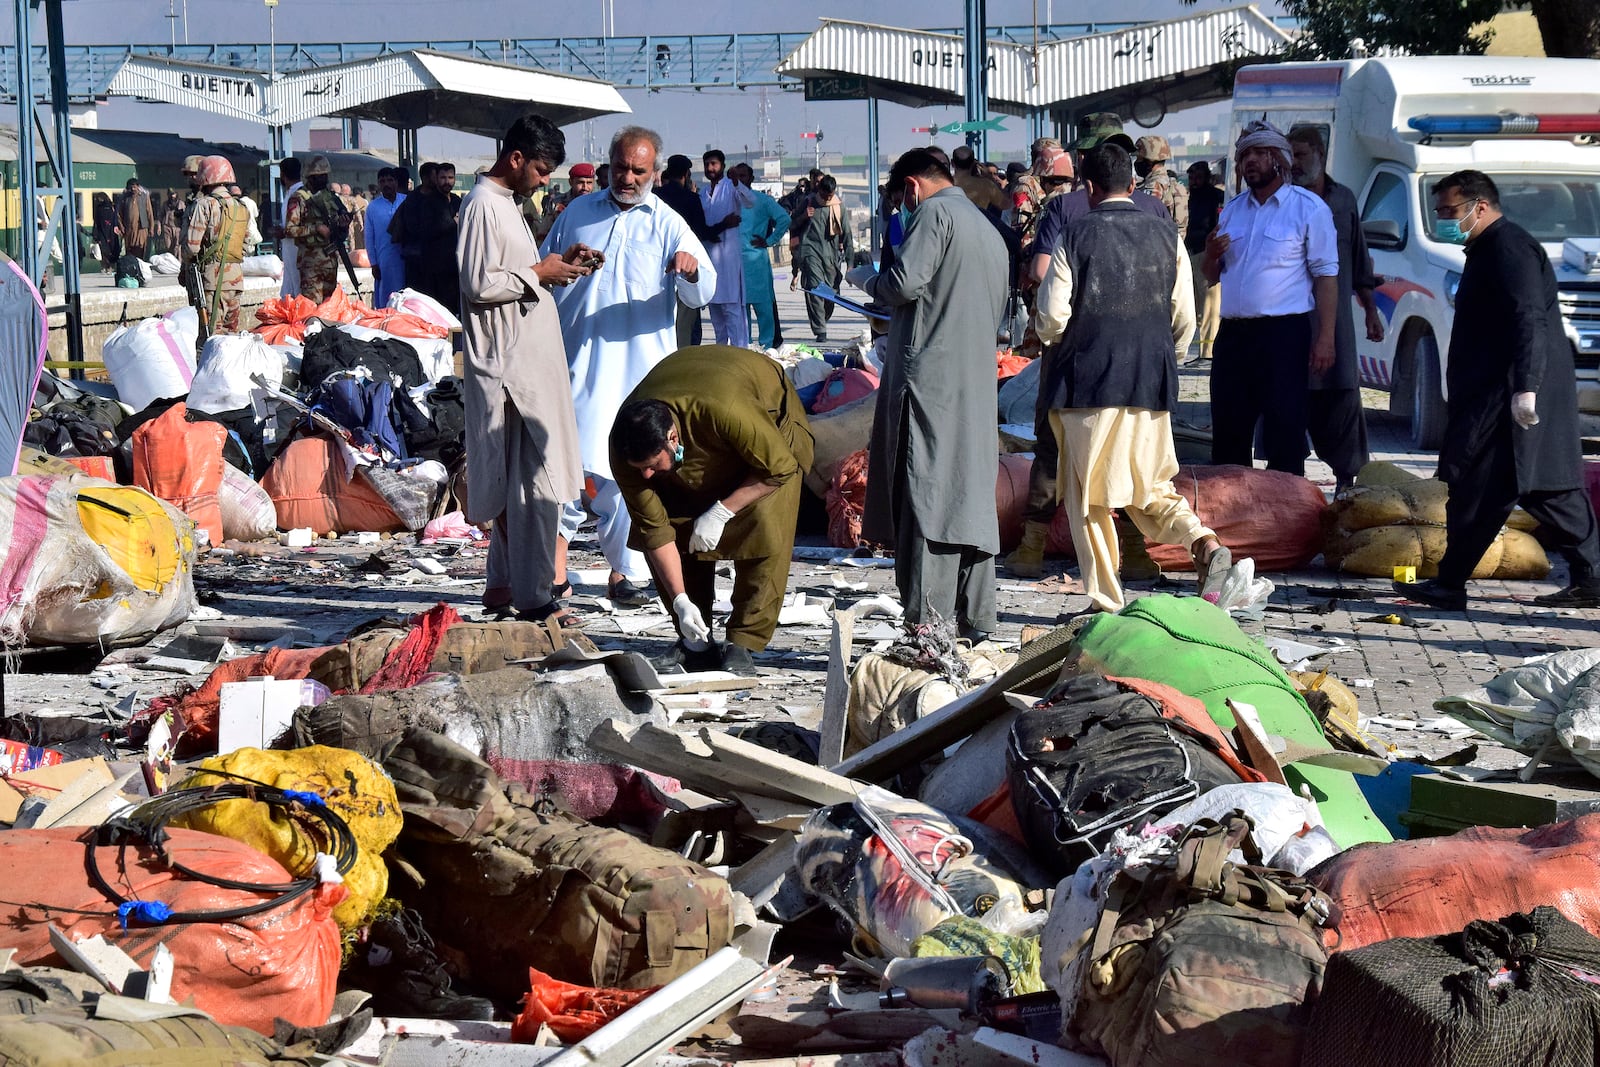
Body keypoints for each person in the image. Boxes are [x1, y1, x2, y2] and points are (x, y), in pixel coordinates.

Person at [1034, 143, 1231, 613]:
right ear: (1133, 183)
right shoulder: (1167, 235)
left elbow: (1051, 315)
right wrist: (1165, 356)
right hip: (1152, 380)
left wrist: (1055, 339)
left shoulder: (1076, 234)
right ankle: (1202, 542)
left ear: (1089, 187)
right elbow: (1184, 315)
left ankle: (1105, 601)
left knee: (1088, 498)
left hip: (1088, 385)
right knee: (1151, 486)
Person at [1395, 171, 1600, 611]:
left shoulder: (1509, 248)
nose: (1444, 219)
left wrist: (1526, 388)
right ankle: (1450, 584)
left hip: (1513, 395)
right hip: (1493, 392)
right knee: (1480, 490)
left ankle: (1591, 577)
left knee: (1544, 488)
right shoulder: (1485, 249)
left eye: (1450, 211)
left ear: (1480, 206)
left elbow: (1530, 319)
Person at [541, 126, 716, 606]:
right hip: (576, 361)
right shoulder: (577, 212)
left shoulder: (668, 223)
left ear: (655, 173)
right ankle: (555, 573)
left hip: (638, 373)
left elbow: (704, 291)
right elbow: (542, 272)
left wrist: (691, 268)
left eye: (639, 170)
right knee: (567, 470)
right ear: (608, 165)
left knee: (627, 470)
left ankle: (625, 571)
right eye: (621, 168)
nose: (628, 177)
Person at [846, 149, 1008, 640]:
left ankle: (927, 625)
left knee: (926, 497)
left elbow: (903, 283)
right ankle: (975, 618)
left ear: (912, 188)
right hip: (975, 386)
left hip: (929, 385)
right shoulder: (986, 229)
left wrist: (865, 279)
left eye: (901, 203)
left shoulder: (934, 214)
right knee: (969, 499)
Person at [457, 112, 588, 624]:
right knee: (535, 485)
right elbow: (478, 284)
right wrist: (539, 271)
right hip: (508, 369)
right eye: (539, 168)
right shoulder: (481, 205)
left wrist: (556, 265)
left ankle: (505, 583)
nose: (544, 179)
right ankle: (535, 597)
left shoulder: (507, 204)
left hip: (524, 363)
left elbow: (509, 275)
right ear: (515, 158)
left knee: (525, 480)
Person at [611, 345, 814, 674]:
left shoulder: (727, 411)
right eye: (640, 469)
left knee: (764, 523)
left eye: (651, 465)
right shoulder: (625, 449)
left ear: (671, 438)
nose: (645, 476)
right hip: (708, 417)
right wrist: (679, 601)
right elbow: (655, 530)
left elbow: (778, 468)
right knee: (676, 524)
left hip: (768, 424)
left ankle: (743, 642)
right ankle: (695, 643)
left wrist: (722, 511)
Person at [1203, 121, 1338, 477]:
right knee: (1229, 434)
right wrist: (1211, 254)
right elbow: (1211, 275)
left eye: (1260, 153)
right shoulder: (1232, 210)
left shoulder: (1309, 209)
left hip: (1284, 336)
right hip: (1233, 336)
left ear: (1280, 159)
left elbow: (1326, 277)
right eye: (1245, 154)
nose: (1250, 161)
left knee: (1285, 432)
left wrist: (1325, 339)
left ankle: (1288, 519)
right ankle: (1235, 517)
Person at [1286, 127, 1384, 491]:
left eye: (1300, 155)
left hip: (1337, 323)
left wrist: (1371, 311)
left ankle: (1346, 482)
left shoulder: (1343, 200)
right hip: (1292, 322)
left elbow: (1359, 259)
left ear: (1320, 154)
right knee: (1291, 400)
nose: (1294, 163)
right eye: (1290, 155)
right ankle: (1289, 484)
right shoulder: (1283, 201)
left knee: (1341, 396)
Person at [181, 155, 252, 338]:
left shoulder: (205, 205)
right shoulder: (241, 206)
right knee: (230, 336)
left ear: (205, 177)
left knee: (211, 337)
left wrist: (188, 266)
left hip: (213, 280)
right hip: (236, 280)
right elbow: (246, 244)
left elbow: (191, 247)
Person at [654, 153, 717, 349]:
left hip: (657, 269)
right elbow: (702, 232)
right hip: (684, 267)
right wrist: (725, 225)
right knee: (688, 327)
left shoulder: (655, 197)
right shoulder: (690, 199)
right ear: (687, 174)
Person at [730, 162, 790, 349]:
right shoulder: (729, 200)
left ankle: (767, 346)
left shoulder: (762, 200)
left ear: (751, 179)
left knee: (763, 308)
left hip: (756, 261)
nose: (740, 180)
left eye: (744, 176)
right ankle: (744, 346)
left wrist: (770, 240)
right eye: (736, 176)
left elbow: (784, 219)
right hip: (733, 262)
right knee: (740, 310)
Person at [390, 161, 462, 316]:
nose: (446, 182)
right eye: (443, 177)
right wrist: (452, 222)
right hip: (430, 267)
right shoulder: (427, 202)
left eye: (450, 177)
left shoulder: (457, 201)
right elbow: (423, 229)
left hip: (453, 266)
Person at [793, 175, 853, 343]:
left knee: (831, 295)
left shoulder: (838, 207)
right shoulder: (808, 202)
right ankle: (821, 330)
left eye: (830, 195)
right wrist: (804, 216)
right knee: (815, 289)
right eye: (825, 195)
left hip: (831, 256)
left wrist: (850, 264)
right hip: (810, 252)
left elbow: (847, 235)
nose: (828, 199)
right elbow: (792, 225)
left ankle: (822, 319)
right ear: (819, 190)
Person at [699, 149, 749, 347]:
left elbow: (749, 201)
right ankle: (721, 359)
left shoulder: (731, 187)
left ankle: (740, 356)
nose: (710, 168)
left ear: (722, 165)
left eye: (714, 164)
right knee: (717, 318)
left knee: (733, 315)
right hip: (709, 260)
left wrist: (737, 182)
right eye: (707, 164)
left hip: (729, 263)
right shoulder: (702, 192)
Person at [284, 155, 350, 303]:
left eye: (325, 175)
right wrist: (316, 229)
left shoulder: (331, 198)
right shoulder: (299, 198)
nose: (324, 179)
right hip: (310, 264)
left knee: (329, 307)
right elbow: (289, 230)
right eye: (319, 176)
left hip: (330, 262)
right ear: (310, 177)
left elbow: (342, 221)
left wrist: (343, 224)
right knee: (312, 308)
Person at [1184, 160, 1224, 361]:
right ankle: (1203, 349)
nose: (1194, 181)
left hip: (1206, 252)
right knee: (1198, 304)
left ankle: (1208, 351)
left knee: (1210, 304)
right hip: (1191, 251)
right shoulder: (1189, 197)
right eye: (1191, 177)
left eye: (1198, 176)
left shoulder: (1216, 197)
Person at [365, 167, 407, 306]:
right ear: (378, 184)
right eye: (382, 181)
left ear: (396, 182)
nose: (386, 184)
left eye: (390, 180)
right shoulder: (373, 207)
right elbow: (369, 238)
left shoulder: (406, 201)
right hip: (384, 261)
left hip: (405, 259)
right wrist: (374, 263)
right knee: (386, 298)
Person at [1134, 136, 1187, 241]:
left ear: (1149, 161)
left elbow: (1143, 224)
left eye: (1139, 159)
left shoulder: (1154, 187)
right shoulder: (1174, 185)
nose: (1136, 162)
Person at [951, 145, 1007, 217]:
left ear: (952, 163)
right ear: (973, 163)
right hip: (978, 225)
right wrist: (990, 177)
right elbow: (1005, 205)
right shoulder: (986, 185)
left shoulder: (944, 183)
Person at [277, 157, 303, 298]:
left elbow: (295, 226)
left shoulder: (297, 195)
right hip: (290, 252)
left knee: (298, 289)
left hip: (298, 251)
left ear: (282, 174)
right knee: (290, 289)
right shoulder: (291, 194)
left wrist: (282, 231)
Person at [117, 178, 153, 259]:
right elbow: (119, 214)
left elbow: (150, 213)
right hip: (128, 229)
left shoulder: (144, 197)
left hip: (141, 228)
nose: (133, 189)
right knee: (130, 249)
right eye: (131, 187)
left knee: (140, 248)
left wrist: (151, 228)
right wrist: (121, 226)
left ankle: (139, 266)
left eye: (134, 187)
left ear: (138, 187)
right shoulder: (125, 198)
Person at [229, 184, 262, 254]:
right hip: (251, 229)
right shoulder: (252, 202)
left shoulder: (238, 202)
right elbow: (256, 215)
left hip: (241, 230)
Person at [91, 193, 119, 273]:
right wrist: (95, 234)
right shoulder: (99, 208)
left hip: (111, 232)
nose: (98, 200)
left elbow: (115, 219)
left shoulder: (112, 207)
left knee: (112, 249)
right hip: (103, 232)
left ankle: (111, 266)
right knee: (103, 250)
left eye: (99, 198)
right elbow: (96, 221)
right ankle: (105, 266)